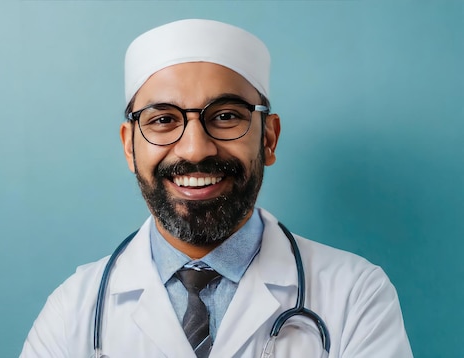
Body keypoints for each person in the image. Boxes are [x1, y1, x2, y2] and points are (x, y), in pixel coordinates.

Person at [20, 19, 413, 358]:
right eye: (163, 120)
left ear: (269, 139)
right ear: (129, 145)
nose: (195, 148)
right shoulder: (73, 310)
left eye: (226, 116)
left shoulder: (355, 294)